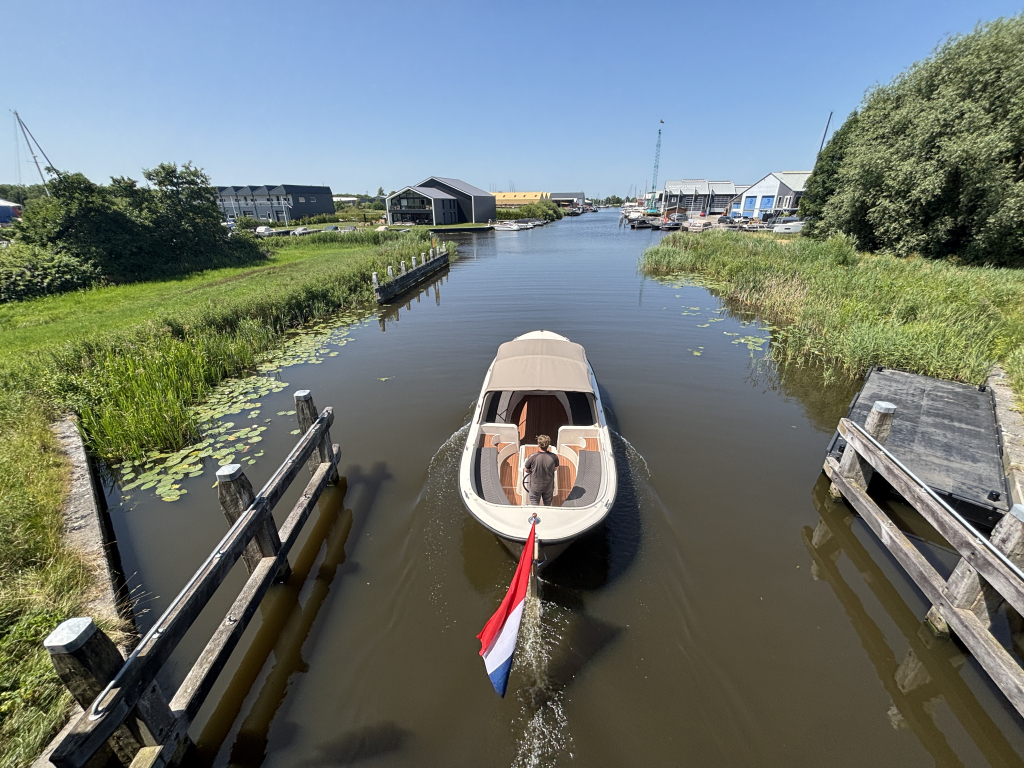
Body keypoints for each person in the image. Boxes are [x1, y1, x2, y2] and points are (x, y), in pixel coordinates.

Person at [524, 434, 560, 506]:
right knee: (547, 506)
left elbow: (526, 470)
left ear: (538, 444)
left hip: (535, 487)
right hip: (548, 486)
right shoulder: (554, 457)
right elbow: (556, 468)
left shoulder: (532, 457)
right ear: (548, 445)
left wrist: (531, 471)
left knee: (534, 507)